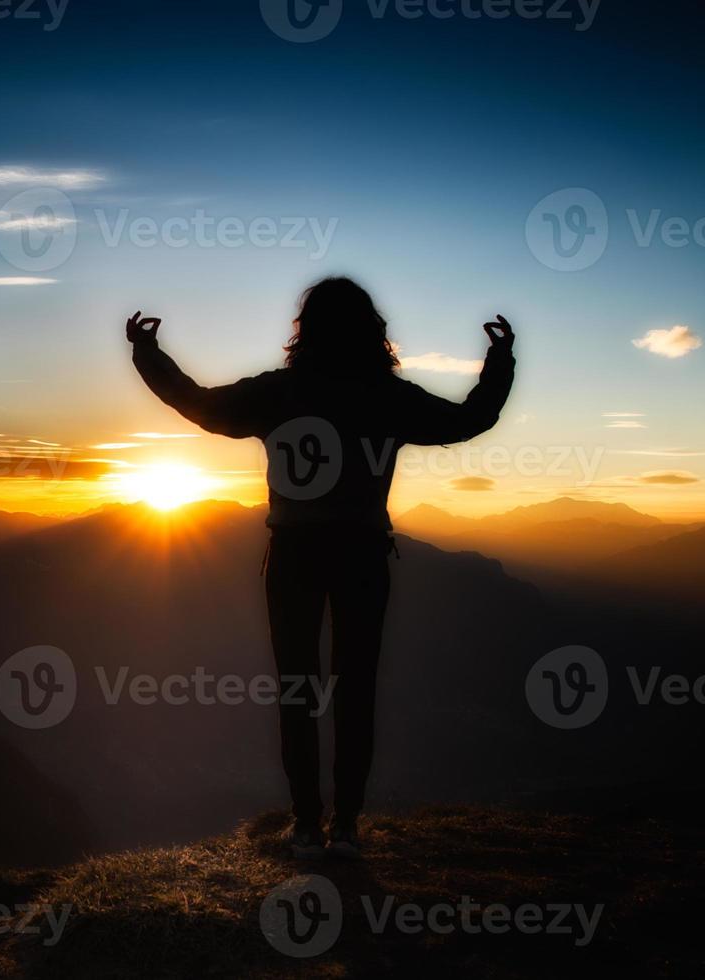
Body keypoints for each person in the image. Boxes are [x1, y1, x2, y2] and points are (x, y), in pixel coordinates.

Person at [126, 276, 516, 859]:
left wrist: (147, 353)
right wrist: (499, 362)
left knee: (297, 690)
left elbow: (201, 405)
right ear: (372, 330)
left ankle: (306, 824)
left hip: (294, 556)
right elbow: (467, 420)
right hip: (362, 556)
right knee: (354, 690)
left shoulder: (279, 393)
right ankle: (347, 828)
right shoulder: (388, 398)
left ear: (304, 329)